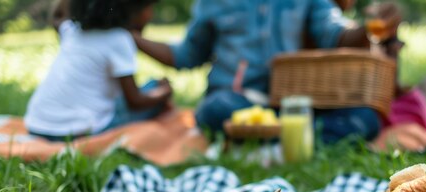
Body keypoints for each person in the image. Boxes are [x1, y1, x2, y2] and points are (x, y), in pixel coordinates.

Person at [131, 0, 401, 143]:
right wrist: (132, 37)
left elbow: (337, 35)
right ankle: (298, 141)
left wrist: (369, 27)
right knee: (215, 108)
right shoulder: (212, 2)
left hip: (287, 104)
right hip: (235, 102)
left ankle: (269, 141)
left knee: (365, 119)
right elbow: (186, 55)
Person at [0, 0, 173, 143]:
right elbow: (135, 101)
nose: (150, 12)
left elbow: (57, 15)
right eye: (148, 5)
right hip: (78, 130)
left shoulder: (73, 31)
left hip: (37, 121)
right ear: (131, 8)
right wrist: (164, 92)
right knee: (152, 91)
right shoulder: (120, 39)